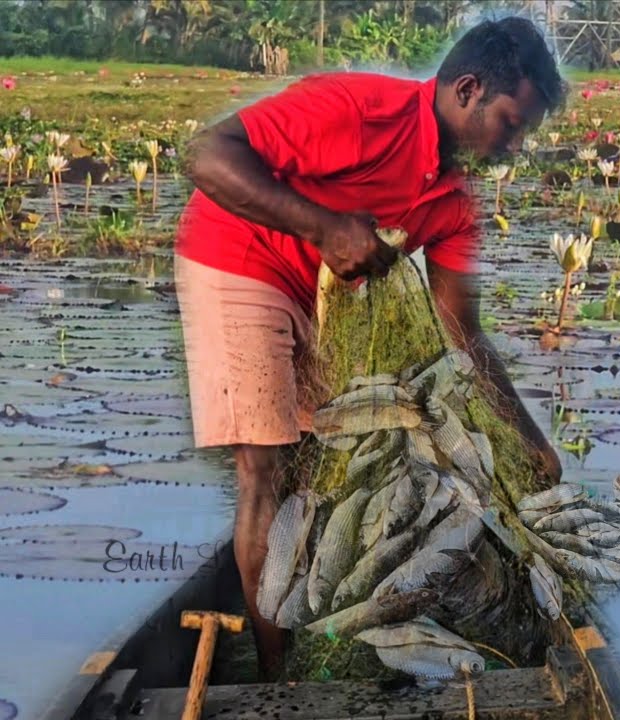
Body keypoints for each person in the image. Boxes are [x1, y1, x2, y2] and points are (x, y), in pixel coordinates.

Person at [174, 17, 566, 680]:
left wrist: (528, 437)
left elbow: (461, 331)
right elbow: (206, 155)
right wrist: (324, 225)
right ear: (466, 89)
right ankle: (279, 675)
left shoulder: (453, 202)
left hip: (321, 296)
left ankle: (315, 616)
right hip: (239, 258)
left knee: (330, 468)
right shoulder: (358, 110)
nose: (515, 144)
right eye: (510, 123)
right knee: (263, 468)